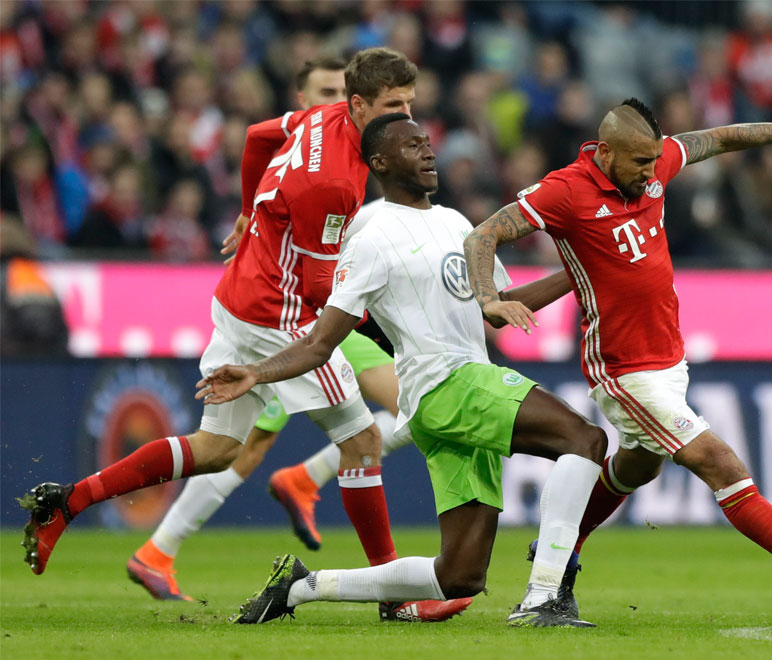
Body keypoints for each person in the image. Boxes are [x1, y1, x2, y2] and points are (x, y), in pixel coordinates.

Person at [19, 47, 470, 623]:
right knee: (361, 441)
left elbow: (257, 137)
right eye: (392, 106)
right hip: (277, 311)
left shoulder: (319, 117)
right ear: (358, 105)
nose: (405, 116)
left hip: (240, 294)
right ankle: (395, 594)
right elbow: (319, 286)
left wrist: (245, 211)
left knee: (217, 449)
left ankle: (68, 501)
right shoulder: (333, 182)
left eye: (409, 104)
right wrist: (386, 315)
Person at [463, 98, 772, 617]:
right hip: (623, 369)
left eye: (654, 161)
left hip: (669, 359)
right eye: (640, 162)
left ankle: (563, 549)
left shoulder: (655, 161)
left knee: (636, 467)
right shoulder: (565, 190)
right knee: (719, 462)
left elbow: (724, 137)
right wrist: (489, 298)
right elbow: (483, 234)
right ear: (605, 152)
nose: (652, 173)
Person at [197, 113, 608, 628]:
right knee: (585, 440)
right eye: (413, 146)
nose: (429, 152)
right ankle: (544, 597)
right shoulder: (371, 238)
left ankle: (301, 586)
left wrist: (576, 272)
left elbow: (497, 305)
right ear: (381, 162)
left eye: (428, 143)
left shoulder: (457, 223)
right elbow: (322, 342)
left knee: (460, 576)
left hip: (456, 392)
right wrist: (257, 372)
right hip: (446, 385)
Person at [126, 55, 409, 605]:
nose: (334, 101)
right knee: (250, 444)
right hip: (300, 314)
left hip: (322, 311)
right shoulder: (317, 154)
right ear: (306, 99)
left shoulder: (354, 157)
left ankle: (167, 545)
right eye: (325, 92)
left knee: (259, 441)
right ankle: (166, 545)